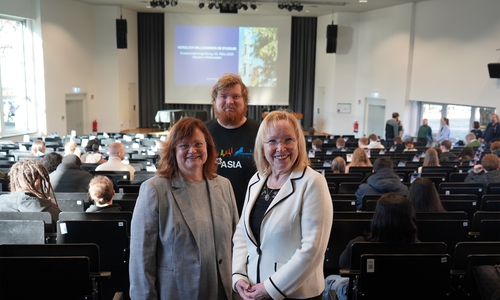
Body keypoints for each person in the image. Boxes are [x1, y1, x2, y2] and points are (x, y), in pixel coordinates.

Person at [129, 117, 239, 300]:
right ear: (173, 150)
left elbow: (236, 243)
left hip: (222, 291)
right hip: (177, 292)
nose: (192, 151)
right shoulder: (155, 190)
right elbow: (141, 258)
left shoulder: (223, 185)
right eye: (184, 146)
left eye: (198, 144)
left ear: (208, 147)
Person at [232, 110, 333, 300]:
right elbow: (241, 234)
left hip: (295, 294)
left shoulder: (313, 183)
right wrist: (238, 275)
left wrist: (270, 288)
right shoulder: (256, 180)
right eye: (272, 141)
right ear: (262, 147)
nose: (281, 148)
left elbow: (312, 250)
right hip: (254, 290)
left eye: (288, 140)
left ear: (298, 143)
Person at [325, 193, 418, 300]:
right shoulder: (423, 250)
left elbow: (342, 264)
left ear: (378, 217)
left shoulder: (358, 245)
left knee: (329, 279)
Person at [206, 73, 260, 216]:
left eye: (235, 96)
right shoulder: (202, 133)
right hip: (212, 213)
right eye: (223, 96)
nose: (229, 101)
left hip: (251, 213)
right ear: (215, 101)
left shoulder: (261, 132)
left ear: (245, 101)